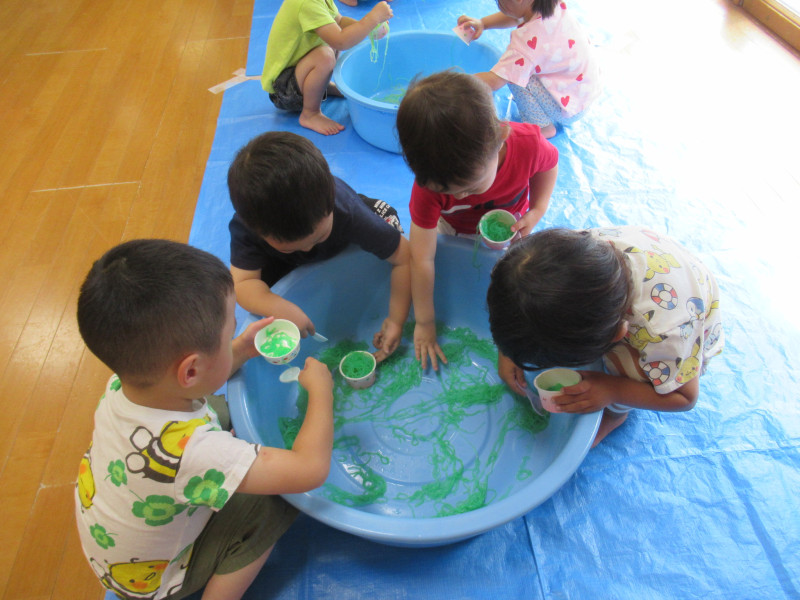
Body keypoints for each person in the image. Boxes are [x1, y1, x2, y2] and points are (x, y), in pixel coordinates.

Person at [74, 239, 334, 600]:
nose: (235, 336)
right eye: (230, 333)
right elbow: (309, 470)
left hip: (115, 549)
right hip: (156, 579)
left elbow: (199, 386)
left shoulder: (124, 385)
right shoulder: (195, 453)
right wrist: (322, 392)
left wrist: (240, 348)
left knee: (218, 409)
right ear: (191, 371)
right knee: (273, 502)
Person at [486, 226, 724, 446]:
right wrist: (511, 349)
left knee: (627, 366)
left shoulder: (663, 333)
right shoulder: (571, 254)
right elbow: (520, 304)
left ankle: (615, 415)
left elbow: (685, 397)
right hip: (654, 262)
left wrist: (613, 390)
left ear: (618, 335)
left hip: (691, 326)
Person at [396, 70, 558, 370]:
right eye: (447, 192)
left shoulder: (527, 144)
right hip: (453, 229)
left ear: (501, 139)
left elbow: (549, 165)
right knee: (447, 266)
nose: (459, 197)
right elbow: (421, 259)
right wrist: (425, 321)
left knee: (514, 278)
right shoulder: (427, 189)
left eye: (470, 187)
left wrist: (537, 210)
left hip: (511, 226)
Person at [228, 131, 411, 361]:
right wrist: (277, 306)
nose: (308, 250)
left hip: (346, 235)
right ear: (258, 231)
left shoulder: (345, 209)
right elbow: (242, 284)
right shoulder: (247, 227)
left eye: (318, 237)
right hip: (284, 265)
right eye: (291, 247)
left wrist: (395, 320)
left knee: (386, 216)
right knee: (263, 287)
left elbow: (405, 257)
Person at [457, 0, 601, 138]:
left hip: (568, 108)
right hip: (584, 91)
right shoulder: (551, 5)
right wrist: (483, 23)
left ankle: (542, 127)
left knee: (514, 75)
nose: (497, 3)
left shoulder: (526, 43)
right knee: (518, 67)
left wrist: (452, 82)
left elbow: (494, 80)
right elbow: (516, 15)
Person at [261, 0, 393, 135]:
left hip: (298, 73)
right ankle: (310, 114)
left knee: (333, 35)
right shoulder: (306, 4)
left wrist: (370, 29)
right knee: (325, 56)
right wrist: (372, 19)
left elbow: (339, 22)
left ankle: (321, 86)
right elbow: (341, 41)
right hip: (283, 89)